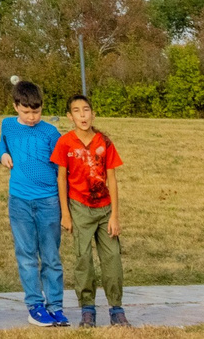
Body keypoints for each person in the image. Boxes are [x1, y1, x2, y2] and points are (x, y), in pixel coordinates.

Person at [0, 84, 64, 329]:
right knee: (26, 255)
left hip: (49, 200)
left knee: (51, 256)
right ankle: (35, 306)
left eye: (36, 112)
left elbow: (60, 168)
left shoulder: (51, 132)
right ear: (15, 107)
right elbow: (4, 144)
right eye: (26, 112)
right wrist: (3, 154)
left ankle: (55, 305)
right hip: (20, 200)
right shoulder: (8, 125)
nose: (32, 117)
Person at [51, 98, 124, 329]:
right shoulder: (65, 143)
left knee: (112, 258)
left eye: (86, 110)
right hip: (80, 207)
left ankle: (116, 308)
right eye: (76, 111)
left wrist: (114, 215)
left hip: (104, 209)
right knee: (83, 259)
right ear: (69, 116)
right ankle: (87, 308)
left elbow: (112, 178)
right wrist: (65, 213)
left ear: (93, 114)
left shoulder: (104, 142)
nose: (82, 116)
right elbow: (61, 178)